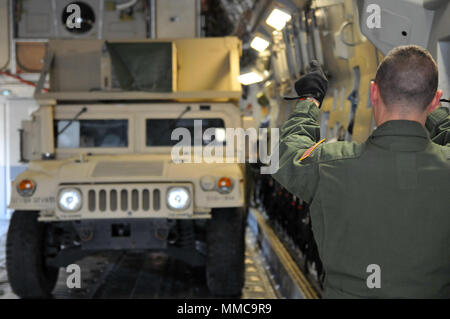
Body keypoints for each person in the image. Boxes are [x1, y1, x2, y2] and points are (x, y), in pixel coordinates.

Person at [272, 45, 450, 298]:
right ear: (435, 99)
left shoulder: (329, 166)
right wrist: (435, 110)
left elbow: (286, 152)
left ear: (373, 93)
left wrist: (309, 101)